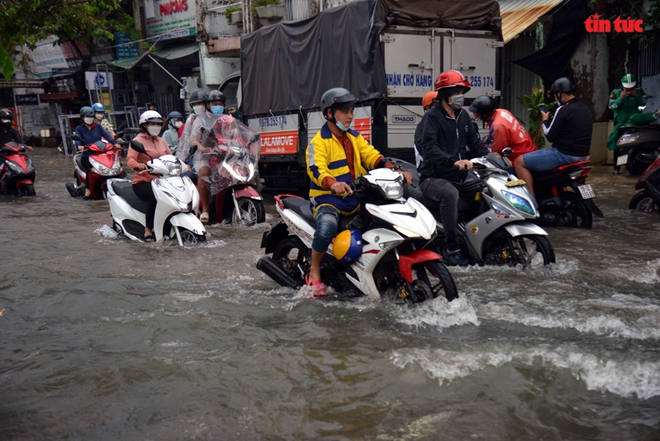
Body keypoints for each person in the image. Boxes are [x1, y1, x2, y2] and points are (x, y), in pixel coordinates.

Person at [305, 87, 411, 298]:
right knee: (326, 228)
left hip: (354, 198)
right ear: (329, 113)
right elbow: (316, 169)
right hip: (328, 200)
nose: (350, 116)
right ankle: (314, 270)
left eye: (351, 110)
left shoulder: (354, 137)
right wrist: (331, 183)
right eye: (344, 111)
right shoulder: (318, 142)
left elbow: (370, 155)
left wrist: (389, 166)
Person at [418, 70, 490, 267]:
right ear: (444, 94)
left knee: (483, 188)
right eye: (456, 91)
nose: (460, 96)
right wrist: (453, 161)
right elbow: (430, 149)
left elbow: (475, 144)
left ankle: (473, 235)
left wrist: (491, 156)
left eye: (462, 91)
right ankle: (452, 248)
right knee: (450, 194)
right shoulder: (432, 118)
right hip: (433, 178)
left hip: (459, 175)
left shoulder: (464, 117)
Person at [514, 77, 592, 199]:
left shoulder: (563, 109)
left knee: (519, 162)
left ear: (560, 93)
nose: (555, 99)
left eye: (556, 95)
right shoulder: (585, 109)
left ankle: (531, 201)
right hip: (584, 156)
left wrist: (545, 120)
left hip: (564, 155)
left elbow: (550, 136)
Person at [126, 111, 172, 242]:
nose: (156, 127)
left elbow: (170, 157)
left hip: (163, 180)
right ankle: (148, 228)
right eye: (153, 124)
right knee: (156, 197)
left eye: (158, 124)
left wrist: (182, 165)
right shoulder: (137, 141)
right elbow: (130, 159)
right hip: (143, 181)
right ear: (145, 125)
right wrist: (137, 166)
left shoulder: (162, 141)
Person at [469, 95, 537, 164]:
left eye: (476, 114)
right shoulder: (502, 112)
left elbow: (496, 152)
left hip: (518, 157)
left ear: (484, 114)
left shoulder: (498, 126)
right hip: (528, 149)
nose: (476, 117)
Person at [607, 73, 647, 174]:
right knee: (619, 144)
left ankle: (636, 164)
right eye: (627, 87)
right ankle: (617, 168)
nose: (629, 89)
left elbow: (643, 103)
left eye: (631, 87)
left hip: (634, 121)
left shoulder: (638, 90)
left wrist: (637, 97)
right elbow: (611, 107)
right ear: (622, 84)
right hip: (621, 123)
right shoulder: (616, 92)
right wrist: (621, 98)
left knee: (635, 142)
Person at [74, 106, 117, 199]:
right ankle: (88, 190)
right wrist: (79, 146)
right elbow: (77, 138)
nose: (89, 119)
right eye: (87, 116)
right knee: (90, 170)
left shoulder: (98, 127)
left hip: (99, 154)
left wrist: (115, 143)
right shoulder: (79, 129)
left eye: (91, 116)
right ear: (82, 117)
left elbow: (107, 136)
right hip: (87, 154)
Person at [413, 91, 437, 168]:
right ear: (427, 107)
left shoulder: (442, 124)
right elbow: (424, 149)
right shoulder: (423, 126)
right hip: (427, 170)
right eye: (436, 106)